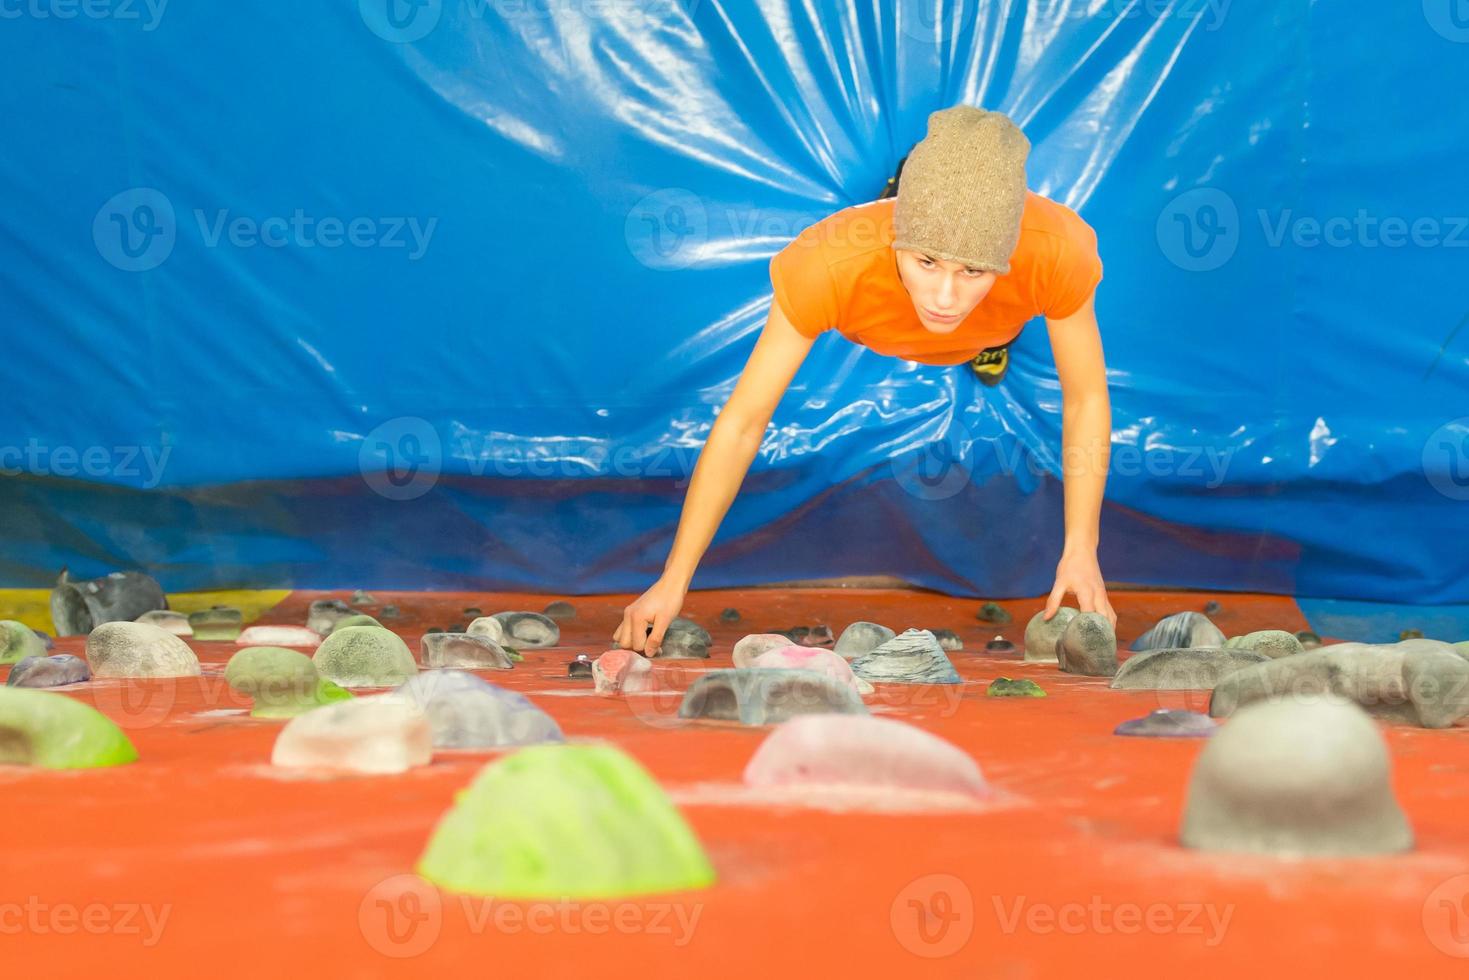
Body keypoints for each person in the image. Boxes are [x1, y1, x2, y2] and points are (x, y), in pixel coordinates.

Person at [614, 106, 1115, 655]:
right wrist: (673, 578)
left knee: (978, 316)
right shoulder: (829, 263)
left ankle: (989, 335)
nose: (946, 297)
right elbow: (744, 422)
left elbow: (1085, 398)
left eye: (973, 270)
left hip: (989, 326)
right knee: (933, 249)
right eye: (926, 262)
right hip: (875, 289)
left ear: (1006, 259)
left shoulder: (1055, 249)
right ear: (898, 240)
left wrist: (1081, 547)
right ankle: (908, 201)